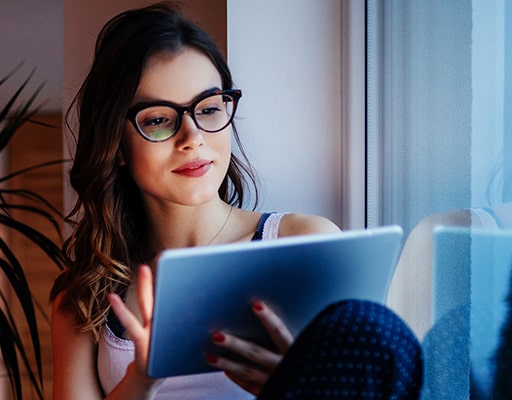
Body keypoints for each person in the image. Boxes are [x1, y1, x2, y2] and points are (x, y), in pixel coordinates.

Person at [50, 3, 423, 399]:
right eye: (158, 119)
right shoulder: (84, 297)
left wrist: (300, 389)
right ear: (117, 144)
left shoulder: (304, 243)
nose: (192, 136)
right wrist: (140, 380)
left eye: (209, 108)